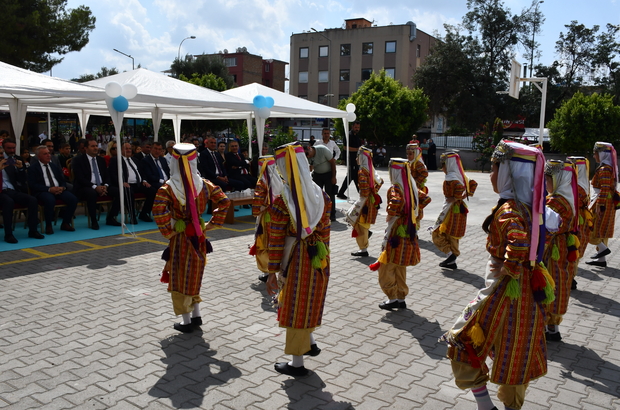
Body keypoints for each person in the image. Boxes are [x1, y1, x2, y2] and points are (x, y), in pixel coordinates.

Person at [441, 140, 552, 410]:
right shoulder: (532, 208)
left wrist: (508, 269)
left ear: (507, 173)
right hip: (529, 296)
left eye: (493, 168)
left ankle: (484, 406)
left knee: (462, 342)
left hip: (505, 292)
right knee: (516, 356)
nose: (490, 175)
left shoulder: (509, 209)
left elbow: (518, 242)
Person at [267, 141, 331, 376]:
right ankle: (311, 341)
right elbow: (325, 231)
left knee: (295, 307)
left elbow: (275, 239)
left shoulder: (283, 201)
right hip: (318, 256)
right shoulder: (320, 194)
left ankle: (297, 363)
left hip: (294, 259)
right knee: (309, 301)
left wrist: (272, 270)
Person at [153, 143, 230, 333]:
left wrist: (170, 229)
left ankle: (187, 322)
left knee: (180, 277)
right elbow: (225, 201)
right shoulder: (204, 184)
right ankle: (196, 315)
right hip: (199, 234)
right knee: (195, 274)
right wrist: (212, 223)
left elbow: (158, 211)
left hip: (181, 237)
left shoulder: (168, 188)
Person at [369, 158, 420, 311]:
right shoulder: (411, 186)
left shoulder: (396, 187)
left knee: (386, 266)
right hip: (408, 229)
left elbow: (395, 201)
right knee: (399, 265)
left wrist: (391, 214)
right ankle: (401, 297)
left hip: (396, 231)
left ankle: (392, 298)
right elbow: (424, 198)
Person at [543, 160, 578, 342]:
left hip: (553, 249)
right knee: (560, 282)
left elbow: (548, 230)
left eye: (547, 180)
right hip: (564, 246)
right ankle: (553, 328)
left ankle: (547, 325)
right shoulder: (569, 197)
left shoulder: (554, 202)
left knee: (550, 281)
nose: (545, 183)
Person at [430, 151, 477, 269]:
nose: (442, 168)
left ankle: (450, 255)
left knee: (437, 233)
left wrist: (456, 197)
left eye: (443, 165)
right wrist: (464, 195)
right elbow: (473, 184)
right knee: (453, 236)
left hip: (451, 211)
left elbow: (460, 188)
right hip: (459, 210)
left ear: (449, 164)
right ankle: (452, 260)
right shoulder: (461, 176)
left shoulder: (451, 178)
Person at [0, 140, 44, 243]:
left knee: (32, 200)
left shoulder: (16, 159)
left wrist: (20, 169)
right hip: (1, 191)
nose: (11, 150)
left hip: (11, 189)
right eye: (8, 148)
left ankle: (33, 230)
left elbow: (23, 180)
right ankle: (8, 234)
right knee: (8, 202)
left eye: (13, 148)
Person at [27, 145, 77, 234]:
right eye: (45, 154)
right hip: (43, 191)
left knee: (73, 199)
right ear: (39, 156)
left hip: (58, 189)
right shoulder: (33, 168)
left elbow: (62, 180)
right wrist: (49, 189)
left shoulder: (54, 166)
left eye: (49, 153)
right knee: (49, 200)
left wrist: (62, 187)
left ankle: (65, 222)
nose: (48, 155)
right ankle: (48, 225)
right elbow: (33, 185)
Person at [72, 139, 119, 230]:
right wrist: (95, 187)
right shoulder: (78, 160)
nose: (96, 148)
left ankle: (111, 217)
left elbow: (107, 175)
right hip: (85, 186)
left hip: (101, 185)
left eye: (96, 146)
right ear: (86, 148)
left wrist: (105, 186)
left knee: (118, 191)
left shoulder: (101, 160)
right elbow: (80, 178)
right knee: (91, 193)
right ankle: (94, 220)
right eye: (92, 146)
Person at [250, 155, 283, 283]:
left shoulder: (262, 181)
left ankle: (267, 270)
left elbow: (257, 203)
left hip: (267, 217)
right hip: (278, 215)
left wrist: (257, 211)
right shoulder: (280, 180)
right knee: (277, 241)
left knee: (265, 242)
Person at [586, 141, 618, 268]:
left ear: (602, 154)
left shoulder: (604, 169)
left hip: (602, 201)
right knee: (602, 231)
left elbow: (604, 188)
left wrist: (600, 205)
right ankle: (601, 260)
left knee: (591, 229)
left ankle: (602, 249)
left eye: (596, 153)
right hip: (607, 201)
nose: (594, 156)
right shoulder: (609, 167)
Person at [346, 146, 383, 257]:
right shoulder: (371, 170)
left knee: (359, 224)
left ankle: (363, 249)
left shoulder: (362, 171)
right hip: (371, 202)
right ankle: (366, 239)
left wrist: (365, 195)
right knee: (363, 223)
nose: (356, 158)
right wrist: (373, 191)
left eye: (358, 156)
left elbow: (364, 191)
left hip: (365, 203)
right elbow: (380, 181)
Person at [108, 143, 158, 224]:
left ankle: (144, 213)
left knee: (152, 190)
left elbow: (142, 172)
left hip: (138, 184)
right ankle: (132, 215)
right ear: (121, 150)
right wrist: (121, 182)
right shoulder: (116, 160)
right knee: (128, 191)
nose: (128, 150)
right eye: (126, 148)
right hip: (126, 184)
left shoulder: (135, 160)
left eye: (130, 149)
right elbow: (112, 174)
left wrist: (144, 180)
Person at [567, 156, 591, 290]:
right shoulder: (582, 184)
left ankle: (571, 278)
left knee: (573, 248)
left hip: (577, 220)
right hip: (581, 219)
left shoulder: (578, 188)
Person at [306, 143, 337, 221]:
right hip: (317, 175)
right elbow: (309, 168)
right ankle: (318, 214)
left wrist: (333, 177)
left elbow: (332, 163)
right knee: (317, 194)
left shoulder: (323, 150)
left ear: (310, 148)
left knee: (330, 194)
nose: (308, 156)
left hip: (328, 174)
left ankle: (332, 214)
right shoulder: (307, 156)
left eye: (307, 154)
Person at [406, 143, 431, 225]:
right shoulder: (409, 163)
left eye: (410, 154)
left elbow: (424, 173)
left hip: (417, 189)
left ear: (416, 154)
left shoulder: (418, 163)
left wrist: (415, 182)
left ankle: (415, 228)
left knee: (416, 206)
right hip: (410, 188)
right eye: (407, 154)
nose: (408, 156)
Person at [337, 121, 361, 199]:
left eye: (358, 128)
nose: (357, 129)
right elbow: (345, 147)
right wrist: (357, 150)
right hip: (350, 159)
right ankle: (361, 193)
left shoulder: (357, 136)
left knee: (351, 176)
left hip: (356, 159)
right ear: (352, 127)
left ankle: (341, 193)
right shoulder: (348, 135)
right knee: (354, 176)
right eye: (355, 127)